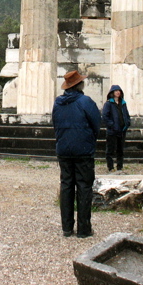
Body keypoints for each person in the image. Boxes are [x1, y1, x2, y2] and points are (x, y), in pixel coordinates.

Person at [52, 70, 101, 239]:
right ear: (80, 84)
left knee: (66, 186)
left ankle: (66, 228)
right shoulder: (86, 101)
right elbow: (96, 124)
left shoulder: (57, 103)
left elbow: (55, 124)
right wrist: (89, 140)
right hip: (83, 150)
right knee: (84, 187)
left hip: (64, 149)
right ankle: (83, 229)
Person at [102, 84, 131, 173]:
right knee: (110, 149)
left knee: (120, 150)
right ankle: (110, 167)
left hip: (122, 130)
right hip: (112, 131)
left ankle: (120, 166)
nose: (118, 92)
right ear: (112, 93)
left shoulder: (123, 103)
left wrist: (127, 123)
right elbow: (105, 116)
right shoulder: (108, 103)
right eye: (116, 91)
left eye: (119, 91)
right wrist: (112, 125)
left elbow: (126, 114)